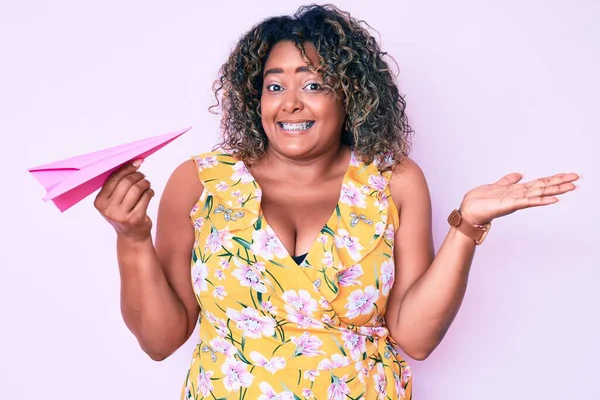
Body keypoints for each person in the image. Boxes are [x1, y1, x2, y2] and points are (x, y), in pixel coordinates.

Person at [93, 4, 579, 399]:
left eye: (314, 84)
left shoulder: (394, 181)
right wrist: (132, 238)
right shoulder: (200, 181)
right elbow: (159, 342)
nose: (290, 102)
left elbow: (415, 337)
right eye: (275, 85)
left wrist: (466, 226)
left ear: (350, 95)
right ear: (254, 97)